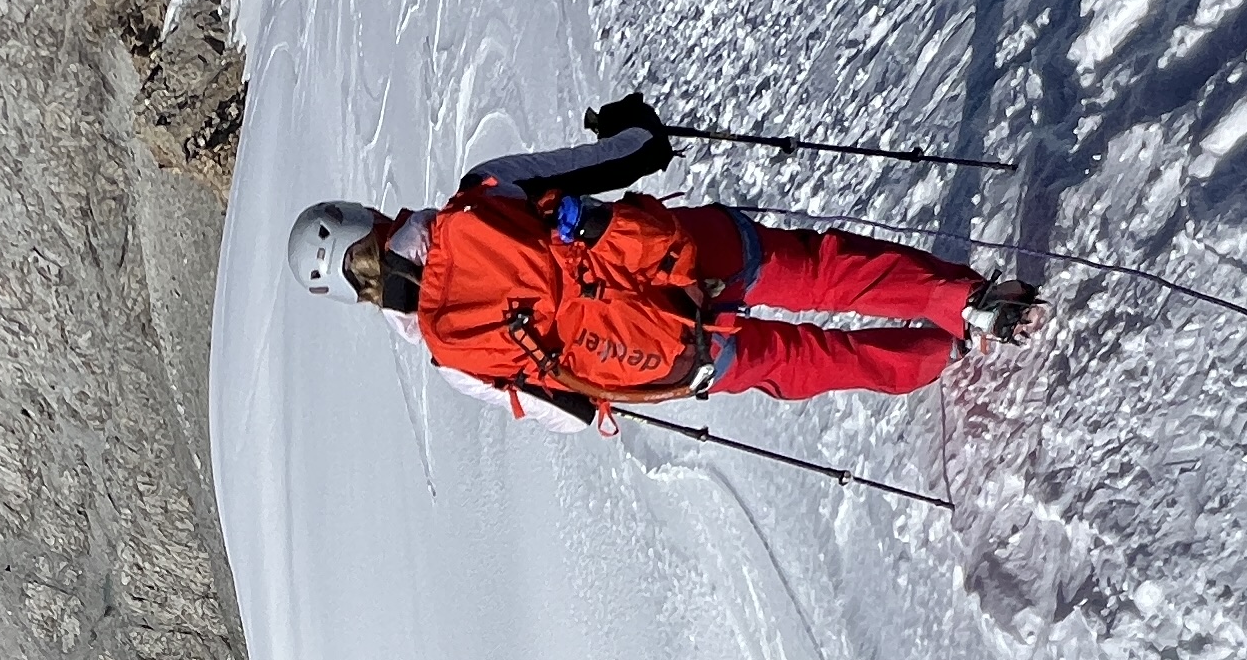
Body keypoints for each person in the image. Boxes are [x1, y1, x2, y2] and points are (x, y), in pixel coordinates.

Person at [286, 94, 1042, 429]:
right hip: (681, 254)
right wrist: (632, 124)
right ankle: (965, 300)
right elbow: (630, 154)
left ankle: (940, 356)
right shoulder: (483, 190)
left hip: (660, 356)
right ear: (369, 216)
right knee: (813, 269)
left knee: (798, 360)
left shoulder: (450, 357)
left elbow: (570, 415)